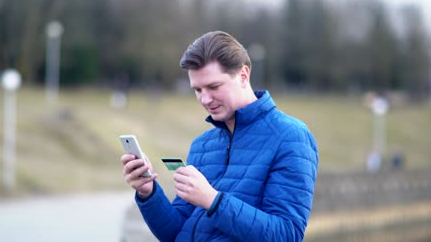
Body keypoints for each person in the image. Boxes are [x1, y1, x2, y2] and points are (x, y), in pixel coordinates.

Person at [121, 31, 318, 241]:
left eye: (213, 86)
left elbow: (287, 234)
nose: (205, 99)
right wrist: (148, 192)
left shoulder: (291, 137)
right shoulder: (202, 145)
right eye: (197, 89)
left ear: (243, 75)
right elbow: (176, 233)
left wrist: (213, 200)